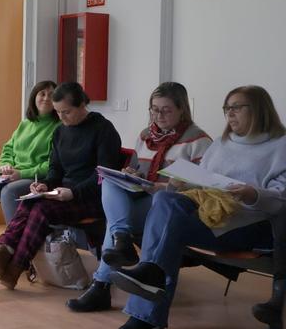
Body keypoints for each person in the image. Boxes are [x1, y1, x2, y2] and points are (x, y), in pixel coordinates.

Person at [108, 85, 285, 329]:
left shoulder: (281, 147)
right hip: (212, 216)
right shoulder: (223, 144)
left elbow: (282, 199)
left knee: (167, 230)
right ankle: (150, 276)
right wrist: (183, 182)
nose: (230, 114)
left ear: (259, 109)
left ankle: (146, 312)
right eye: (227, 109)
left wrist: (254, 194)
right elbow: (204, 181)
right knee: (167, 199)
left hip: (249, 225)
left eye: (237, 108)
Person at [67, 82, 212, 312]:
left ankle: (102, 284)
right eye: (154, 109)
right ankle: (122, 240)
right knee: (108, 182)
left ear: (182, 109)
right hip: (140, 198)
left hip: (168, 206)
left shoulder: (199, 141)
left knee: (117, 223)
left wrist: (162, 187)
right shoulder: (146, 136)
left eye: (166, 110)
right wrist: (131, 174)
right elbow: (137, 169)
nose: (158, 115)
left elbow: (203, 187)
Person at [0, 82, 122, 289]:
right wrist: (44, 185)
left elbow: (104, 176)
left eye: (66, 112)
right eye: (58, 112)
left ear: (82, 104)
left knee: (41, 209)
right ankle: (3, 251)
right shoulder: (61, 132)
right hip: (65, 192)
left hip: (92, 196)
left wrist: (73, 192)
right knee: (30, 202)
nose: (61, 118)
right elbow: (55, 170)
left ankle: (14, 269)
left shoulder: (103, 130)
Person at [0, 80, 60, 265]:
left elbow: (53, 165)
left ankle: (14, 249)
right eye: (42, 93)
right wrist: (5, 165)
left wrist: (21, 173)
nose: (46, 98)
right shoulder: (25, 124)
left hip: (35, 179)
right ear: (34, 97)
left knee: (9, 192)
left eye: (51, 94)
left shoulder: (58, 128)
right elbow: (8, 148)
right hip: (12, 176)